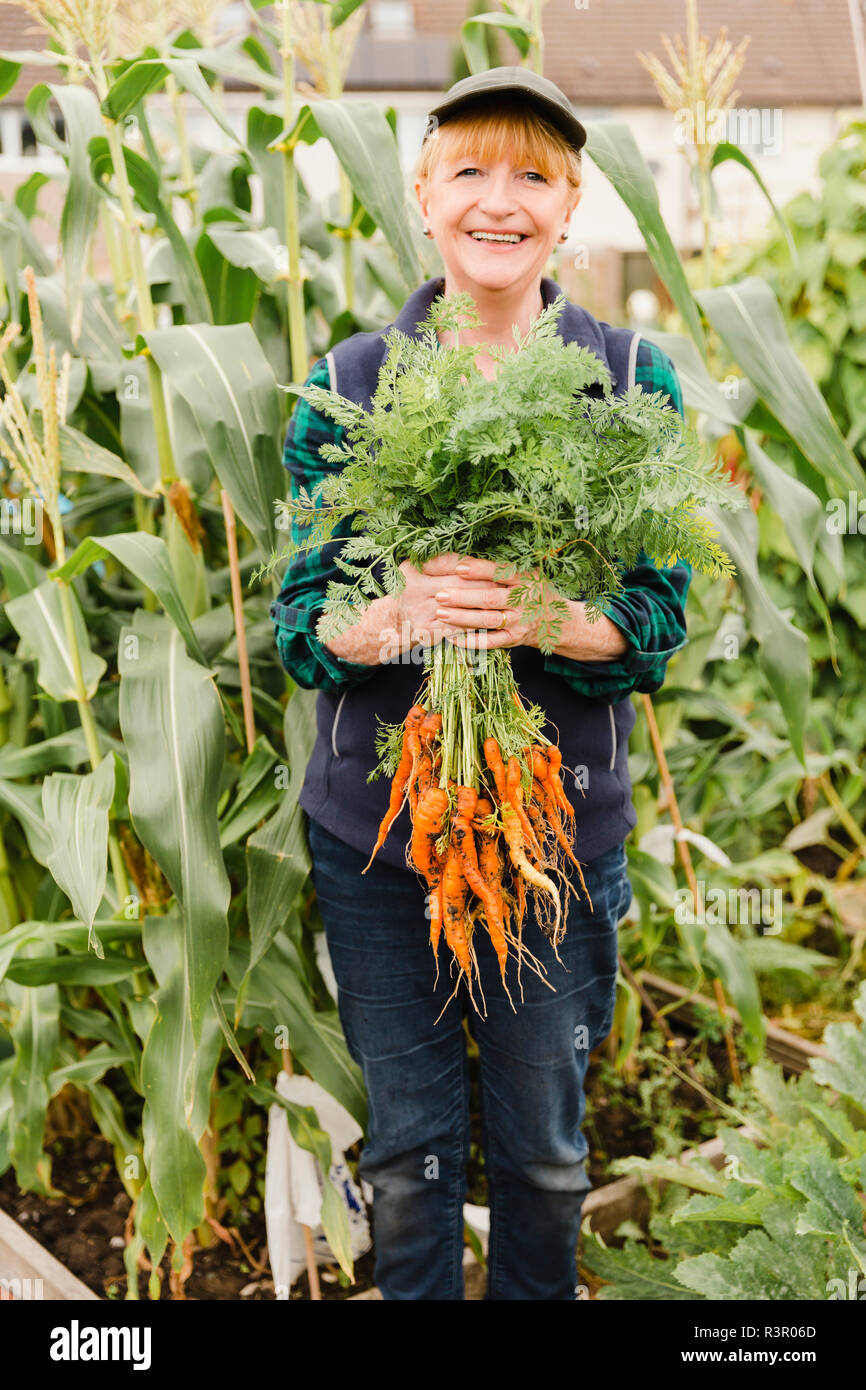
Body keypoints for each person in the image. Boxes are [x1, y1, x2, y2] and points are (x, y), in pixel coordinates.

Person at [270, 67, 690, 1301]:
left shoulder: (626, 380)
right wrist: (390, 619)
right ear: (422, 196)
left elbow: (661, 618)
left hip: (550, 835)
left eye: (533, 176)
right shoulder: (347, 385)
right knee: (406, 1157)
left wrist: (567, 620)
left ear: (570, 209)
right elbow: (301, 626)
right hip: (380, 840)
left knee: (548, 1163)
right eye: (468, 170)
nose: (497, 200)